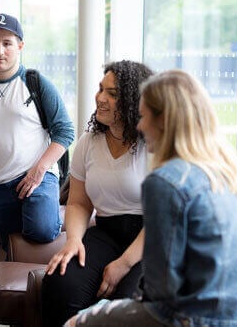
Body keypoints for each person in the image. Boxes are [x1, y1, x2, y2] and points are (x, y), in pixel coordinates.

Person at [66, 69, 237, 327]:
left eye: (144, 116)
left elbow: (160, 301)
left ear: (163, 120)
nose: (139, 125)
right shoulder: (235, 171)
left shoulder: (167, 182)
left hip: (196, 321)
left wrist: (89, 318)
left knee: (76, 324)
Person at [41, 60, 154, 326]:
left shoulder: (154, 144)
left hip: (150, 238)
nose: (100, 98)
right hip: (107, 232)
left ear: (133, 100)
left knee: (125, 307)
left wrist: (123, 265)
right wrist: (74, 241)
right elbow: (79, 202)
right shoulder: (88, 142)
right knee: (60, 281)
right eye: (100, 89)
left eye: (112, 93)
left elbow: (163, 220)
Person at [0, 13, 75, 255]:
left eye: (7, 43)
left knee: (42, 229)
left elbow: (65, 131)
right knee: (12, 243)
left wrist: (39, 170)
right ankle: (18, 288)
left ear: (20, 46)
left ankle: (63, 218)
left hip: (37, 177)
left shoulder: (36, 83)